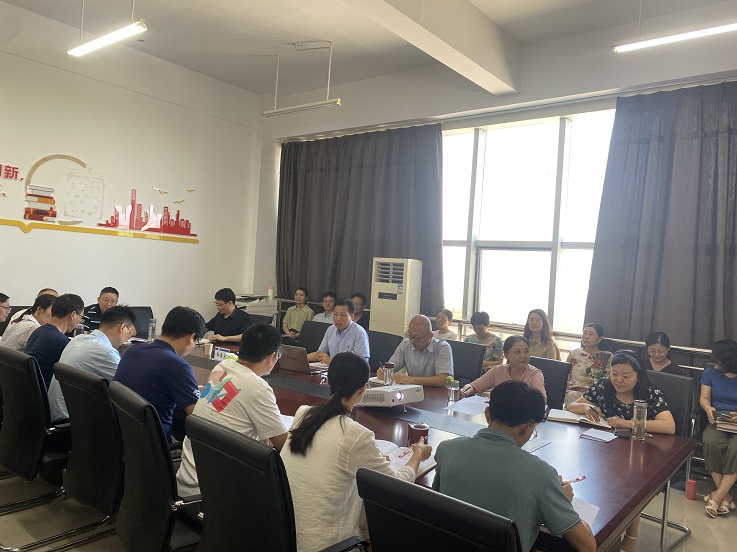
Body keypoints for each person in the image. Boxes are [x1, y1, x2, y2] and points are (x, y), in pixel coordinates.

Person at [281, 352, 432, 550]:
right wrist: (418, 455)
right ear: (363, 389)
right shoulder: (355, 434)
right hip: (327, 545)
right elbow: (396, 484)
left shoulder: (303, 414)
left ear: (329, 382)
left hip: (287, 535)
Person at [433, 380, 596, 552]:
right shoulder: (541, 474)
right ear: (528, 428)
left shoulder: (447, 450)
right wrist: (562, 501)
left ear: (487, 414)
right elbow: (588, 546)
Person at [567, 349, 675, 550]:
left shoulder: (650, 393)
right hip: (606, 451)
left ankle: (630, 533)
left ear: (638, 376)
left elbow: (669, 426)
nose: (618, 380)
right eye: (614, 373)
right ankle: (607, 529)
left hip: (641, 453)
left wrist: (627, 423)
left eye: (626, 376)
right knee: (599, 478)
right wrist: (585, 407)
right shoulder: (603, 386)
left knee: (629, 482)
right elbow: (572, 405)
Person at [177, 324, 289, 498]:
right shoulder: (258, 388)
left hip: (188, 479)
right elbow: (285, 446)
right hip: (217, 493)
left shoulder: (222, 366)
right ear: (271, 357)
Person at [113, 306, 205, 439]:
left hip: (123, 433)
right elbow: (197, 415)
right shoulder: (177, 365)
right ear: (191, 337)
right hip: (155, 441)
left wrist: (190, 390)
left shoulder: (133, 350)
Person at [46, 306, 137, 422]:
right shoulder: (105, 352)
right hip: (70, 422)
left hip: (56, 412)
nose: (126, 340)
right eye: (129, 334)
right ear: (122, 327)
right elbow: (129, 390)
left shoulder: (78, 339)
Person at [699, 339, 737, 518]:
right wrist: (708, 408)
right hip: (718, 419)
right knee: (711, 442)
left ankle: (717, 496)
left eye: (717, 357)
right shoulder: (710, 373)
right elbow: (704, 397)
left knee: (735, 448)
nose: (713, 360)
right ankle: (726, 496)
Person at [461, 335, 547, 403]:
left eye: (526, 351)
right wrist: (465, 391)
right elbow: (474, 386)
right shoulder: (498, 371)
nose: (523, 356)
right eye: (517, 352)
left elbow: (542, 400)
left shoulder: (535, 374)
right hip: (499, 415)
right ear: (506, 355)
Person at [25, 293, 84, 389]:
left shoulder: (38, 331)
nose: (79, 322)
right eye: (81, 317)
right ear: (73, 315)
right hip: (47, 392)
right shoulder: (61, 342)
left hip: (30, 390)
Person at [377, 315, 453, 387]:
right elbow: (391, 366)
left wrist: (412, 380)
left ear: (430, 336)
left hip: (435, 393)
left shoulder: (442, 348)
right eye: (410, 335)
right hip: (412, 391)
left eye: (417, 338)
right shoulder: (406, 344)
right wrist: (383, 371)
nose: (412, 341)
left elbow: (444, 379)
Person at [307, 298, 370, 364]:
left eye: (342, 315)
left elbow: (361, 364)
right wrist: (301, 358)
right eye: (335, 314)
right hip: (332, 369)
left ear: (351, 316)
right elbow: (319, 354)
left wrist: (332, 362)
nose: (338, 319)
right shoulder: (330, 330)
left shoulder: (359, 333)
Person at [565, 323, 612, 405]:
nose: (586, 337)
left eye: (591, 334)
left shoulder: (607, 356)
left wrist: (590, 389)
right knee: (572, 395)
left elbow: (608, 380)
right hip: (572, 390)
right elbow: (565, 373)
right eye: (584, 333)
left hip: (594, 393)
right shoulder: (574, 353)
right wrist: (566, 383)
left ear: (600, 338)